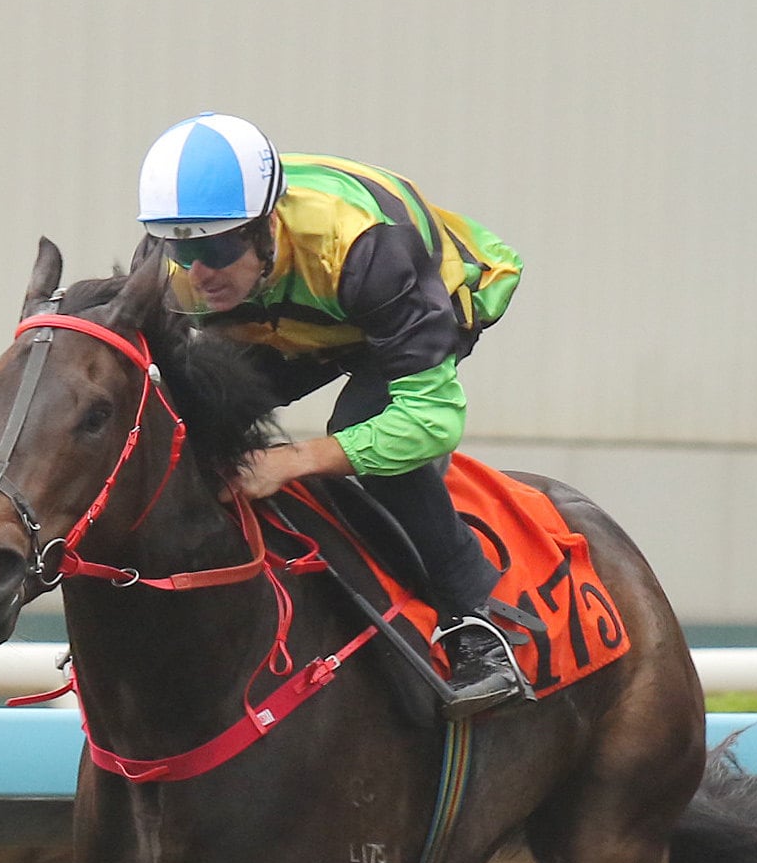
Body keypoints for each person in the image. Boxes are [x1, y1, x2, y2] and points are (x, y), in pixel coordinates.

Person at [135, 113, 527, 721]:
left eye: (216, 247)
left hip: (412, 299)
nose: (201, 271)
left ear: (267, 226)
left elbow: (431, 422)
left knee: (363, 431)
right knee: (188, 412)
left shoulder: (368, 247)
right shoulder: (173, 271)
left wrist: (292, 461)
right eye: (183, 249)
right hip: (289, 311)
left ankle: (475, 622)